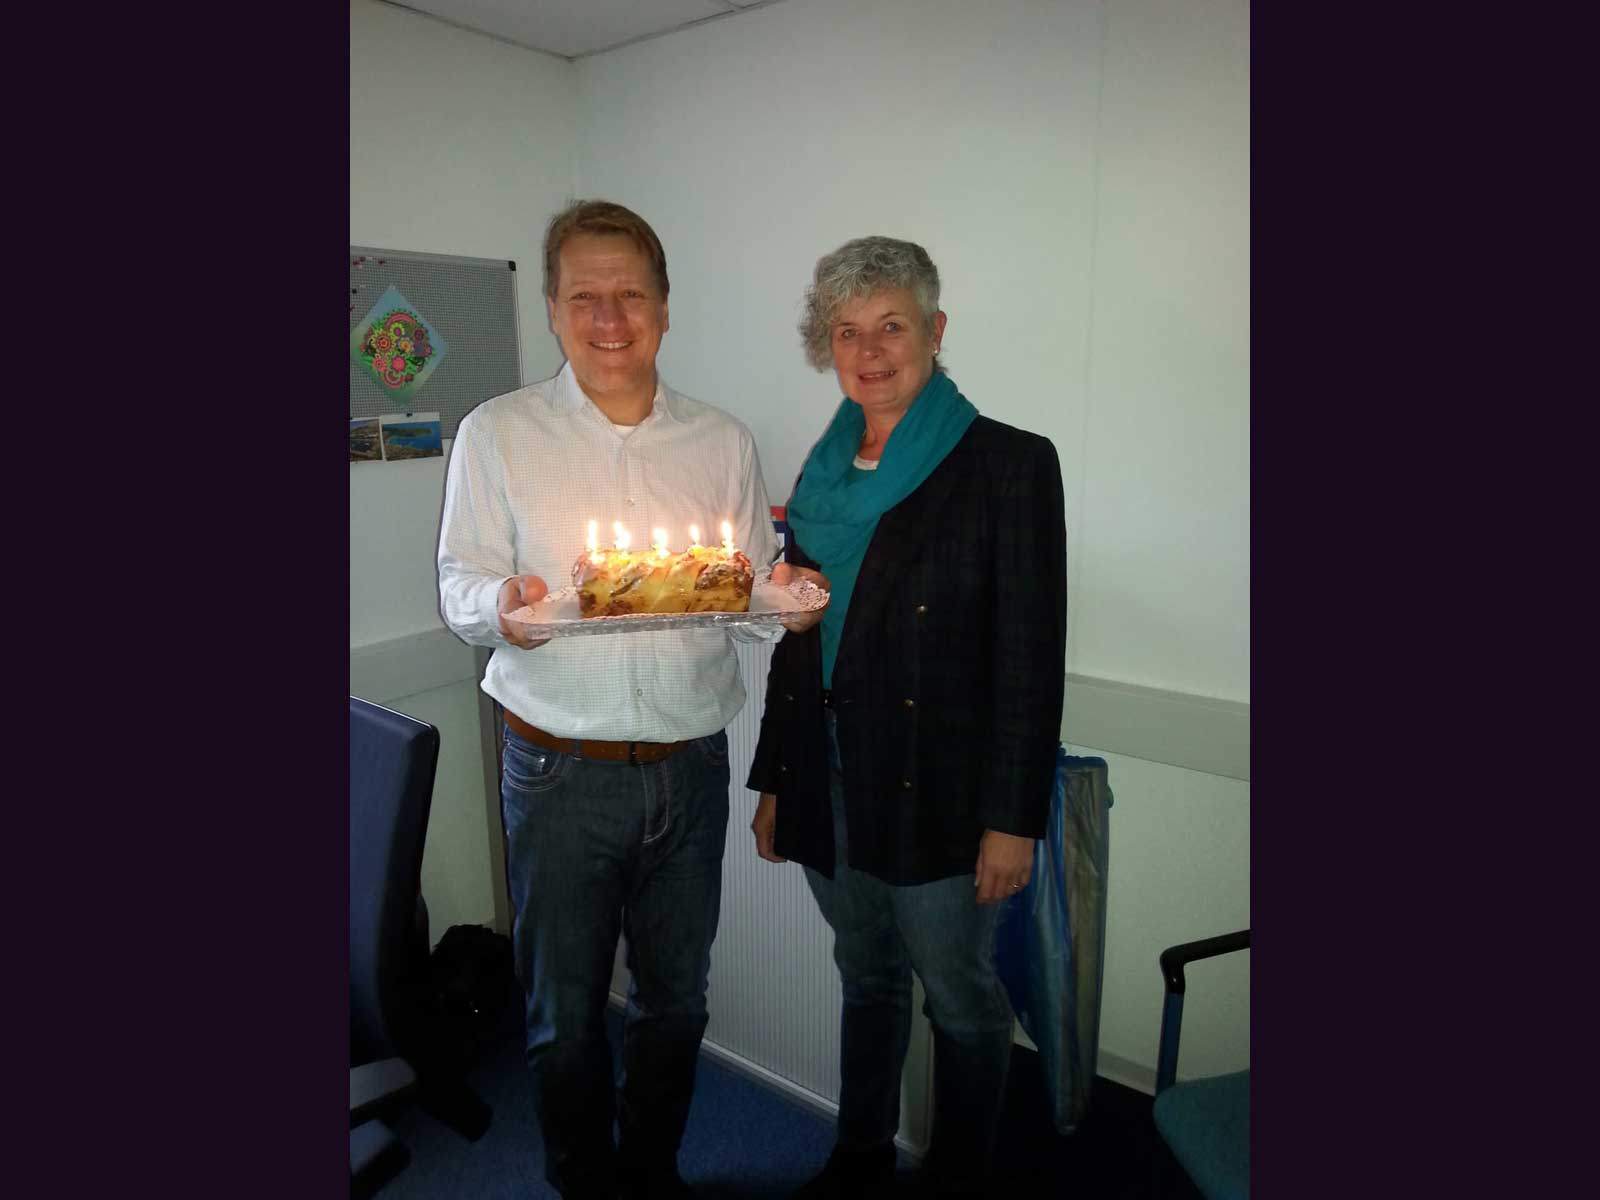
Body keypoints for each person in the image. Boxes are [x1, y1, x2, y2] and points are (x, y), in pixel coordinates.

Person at [438, 200, 818, 1200]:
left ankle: (649, 1176)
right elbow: (460, 586)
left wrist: (784, 603)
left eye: (631, 296)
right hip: (558, 772)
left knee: (676, 1004)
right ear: (555, 312)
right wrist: (501, 606)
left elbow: (744, 593)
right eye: (584, 299)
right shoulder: (499, 434)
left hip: (691, 769)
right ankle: (582, 1183)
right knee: (562, 1012)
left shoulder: (721, 442)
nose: (610, 320)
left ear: (663, 306)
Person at [746, 236, 1067, 1200]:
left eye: (891, 325)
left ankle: (966, 1176)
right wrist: (775, 781)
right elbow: (801, 643)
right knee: (868, 976)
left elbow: (1028, 658)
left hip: (942, 790)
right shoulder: (822, 475)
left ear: (935, 330)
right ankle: (859, 1156)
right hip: (831, 771)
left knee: (964, 1000)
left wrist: (1014, 818)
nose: (870, 349)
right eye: (848, 330)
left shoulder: (1008, 465)